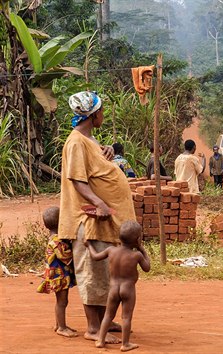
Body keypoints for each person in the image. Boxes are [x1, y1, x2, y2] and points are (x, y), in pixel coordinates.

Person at [58, 91, 136, 345]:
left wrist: (107, 153)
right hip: (89, 220)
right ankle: (93, 327)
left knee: (103, 273)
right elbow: (78, 180)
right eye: (101, 111)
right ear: (93, 115)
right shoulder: (76, 142)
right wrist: (100, 203)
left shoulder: (87, 140)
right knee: (91, 273)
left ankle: (104, 321)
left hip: (104, 222)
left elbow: (93, 169)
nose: (103, 115)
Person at [84, 220, 150, 352]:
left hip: (113, 289)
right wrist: (142, 249)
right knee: (126, 317)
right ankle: (125, 344)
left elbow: (96, 256)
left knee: (108, 315)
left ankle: (100, 340)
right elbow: (147, 268)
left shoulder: (111, 250)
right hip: (128, 289)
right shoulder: (136, 255)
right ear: (138, 239)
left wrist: (89, 245)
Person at [37, 206, 78, 338]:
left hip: (58, 274)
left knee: (60, 301)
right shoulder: (56, 241)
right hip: (58, 275)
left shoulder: (54, 238)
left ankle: (58, 324)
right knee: (62, 301)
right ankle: (61, 327)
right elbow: (65, 256)